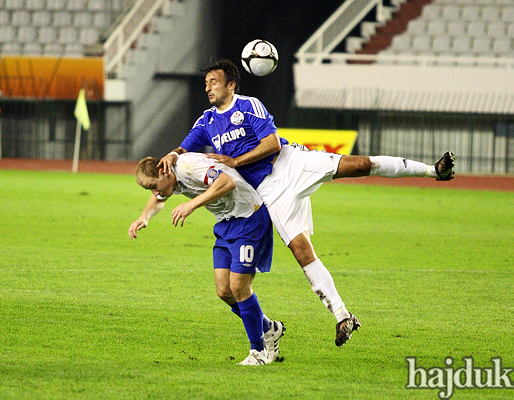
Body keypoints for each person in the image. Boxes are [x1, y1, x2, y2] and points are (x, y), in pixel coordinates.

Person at [159, 59, 456, 347]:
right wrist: (173, 154)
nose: (208, 88)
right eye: (206, 83)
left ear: (231, 85)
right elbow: (184, 148)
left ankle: (433, 171)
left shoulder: (248, 105)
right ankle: (342, 315)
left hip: (290, 163)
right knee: (302, 252)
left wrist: (234, 160)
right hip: (269, 191)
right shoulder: (207, 120)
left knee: (359, 165)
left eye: (214, 82)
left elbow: (272, 143)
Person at [129, 152, 285, 365]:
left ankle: (258, 352)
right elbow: (159, 198)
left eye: (153, 186)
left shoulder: (188, 167)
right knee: (224, 291)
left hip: (249, 218)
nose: (155, 192)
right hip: (225, 224)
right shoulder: (170, 180)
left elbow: (226, 182)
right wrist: (143, 218)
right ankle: (268, 328)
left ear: (164, 172)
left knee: (239, 286)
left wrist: (191, 204)